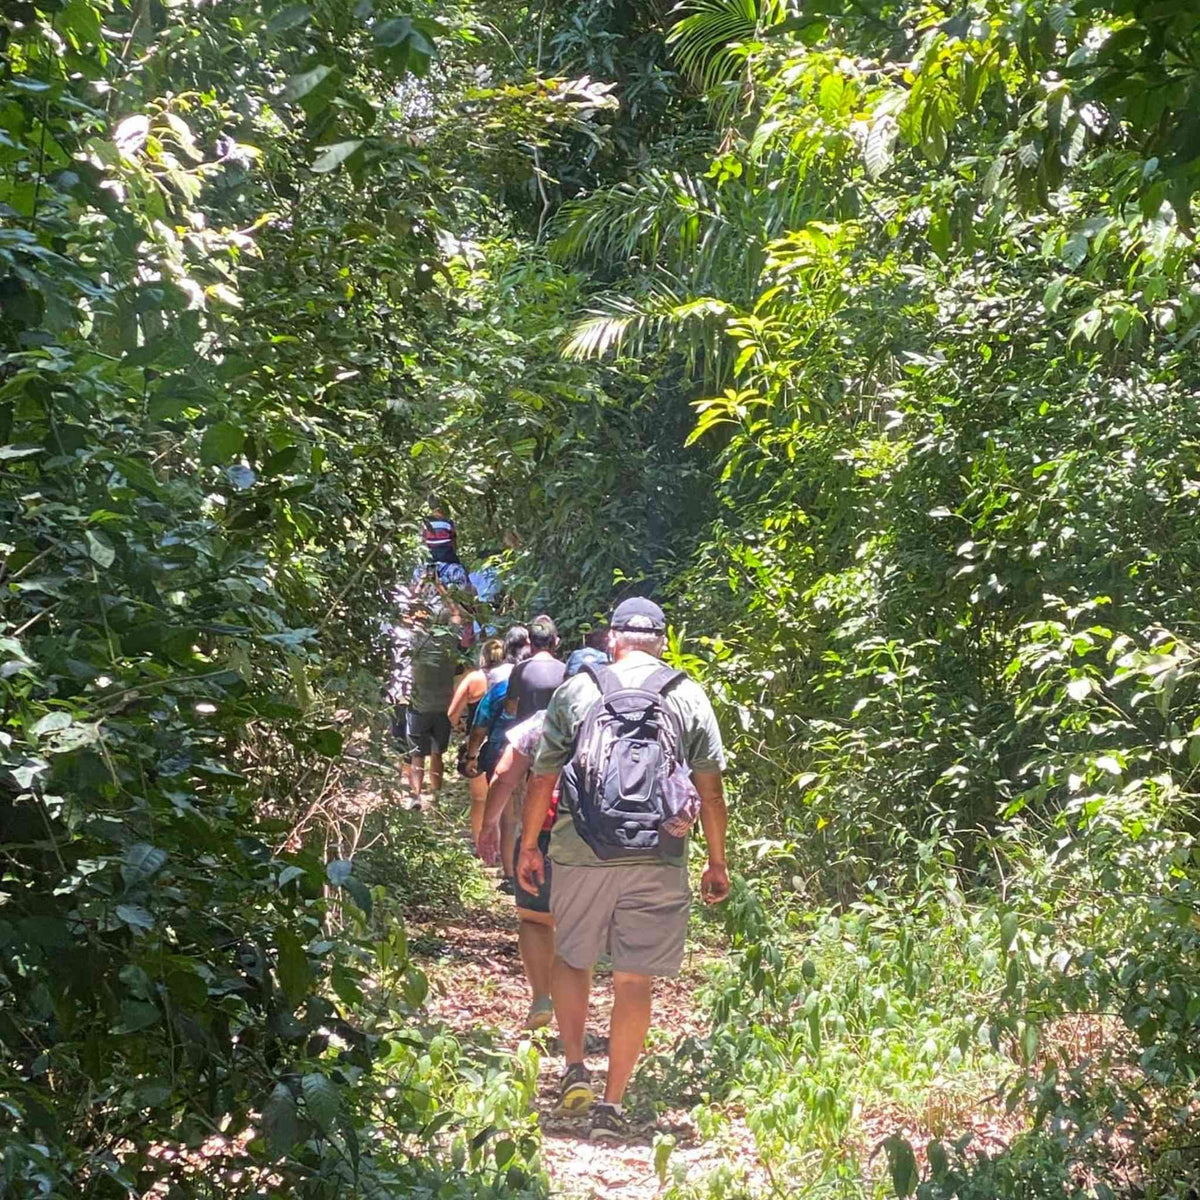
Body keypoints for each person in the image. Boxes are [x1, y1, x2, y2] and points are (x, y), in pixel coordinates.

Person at [518, 597, 730, 1141]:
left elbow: (543, 775)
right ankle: (612, 1105)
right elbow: (710, 788)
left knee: (572, 957)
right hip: (660, 852)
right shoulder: (687, 694)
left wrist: (528, 846)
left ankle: (573, 1068)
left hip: (581, 847)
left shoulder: (580, 687)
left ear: (612, 640)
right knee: (634, 979)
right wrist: (716, 860)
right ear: (662, 641)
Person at [465, 625, 530, 887]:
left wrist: (471, 756)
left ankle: (510, 873)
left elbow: (480, 725)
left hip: (500, 753)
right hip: (537, 755)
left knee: (509, 815)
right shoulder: (548, 684)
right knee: (527, 811)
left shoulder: (501, 686)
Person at [447, 638, 505, 840]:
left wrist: (460, 726)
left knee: (480, 799)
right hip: (505, 742)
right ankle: (501, 849)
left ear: (483, 656)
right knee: (505, 799)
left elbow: (452, 713)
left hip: (477, 743)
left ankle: (482, 847)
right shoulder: (512, 678)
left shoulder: (474, 679)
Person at [404, 604, 461, 810]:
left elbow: (406, 617)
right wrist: (441, 588)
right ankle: (436, 797)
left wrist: (419, 588)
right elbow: (456, 614)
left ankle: (416, 796)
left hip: (419, 706)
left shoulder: (417, 641)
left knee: (417, 754)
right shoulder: (452, 641)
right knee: (437, 754)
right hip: (443, 708)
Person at [503, 614, 566, 721]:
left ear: (530, 642)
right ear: (555, 642)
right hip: (556, 734)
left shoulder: (520, 670)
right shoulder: (564, 670)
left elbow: (510, 707)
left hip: (526, 735)